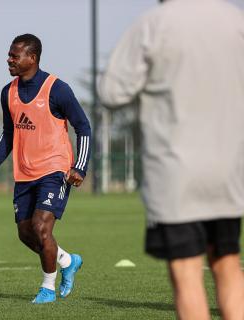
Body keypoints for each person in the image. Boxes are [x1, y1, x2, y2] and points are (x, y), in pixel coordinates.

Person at [98, 0, 244, 319]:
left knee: (186, 273)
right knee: (227, 262)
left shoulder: (154, 24)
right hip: (230, 170)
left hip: (177, 172)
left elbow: (112, 92)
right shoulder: (236, 20)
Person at [0, 34, 92, 304]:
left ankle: (47, 289)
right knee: (25, 233)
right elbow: (9, 132)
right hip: (24, 173)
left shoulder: (57, 89)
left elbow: (84, 127)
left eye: (14, 56)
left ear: (32, 58)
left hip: (55, 170)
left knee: (42, 228)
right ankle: (67, 260)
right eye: (9, 54)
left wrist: (80, 166)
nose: (9, 60)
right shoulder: (8, 92)